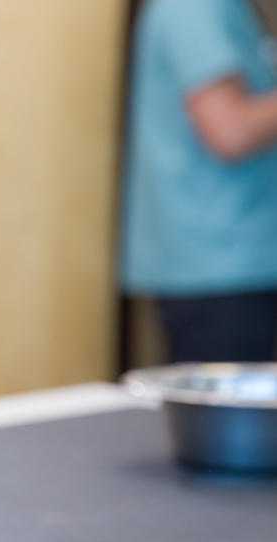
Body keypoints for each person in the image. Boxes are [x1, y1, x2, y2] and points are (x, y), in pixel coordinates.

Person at [123, 0, 277, 363]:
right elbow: (230, 130)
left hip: (237, 259)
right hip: (219, 265)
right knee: (224, 417)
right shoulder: (194, 6)